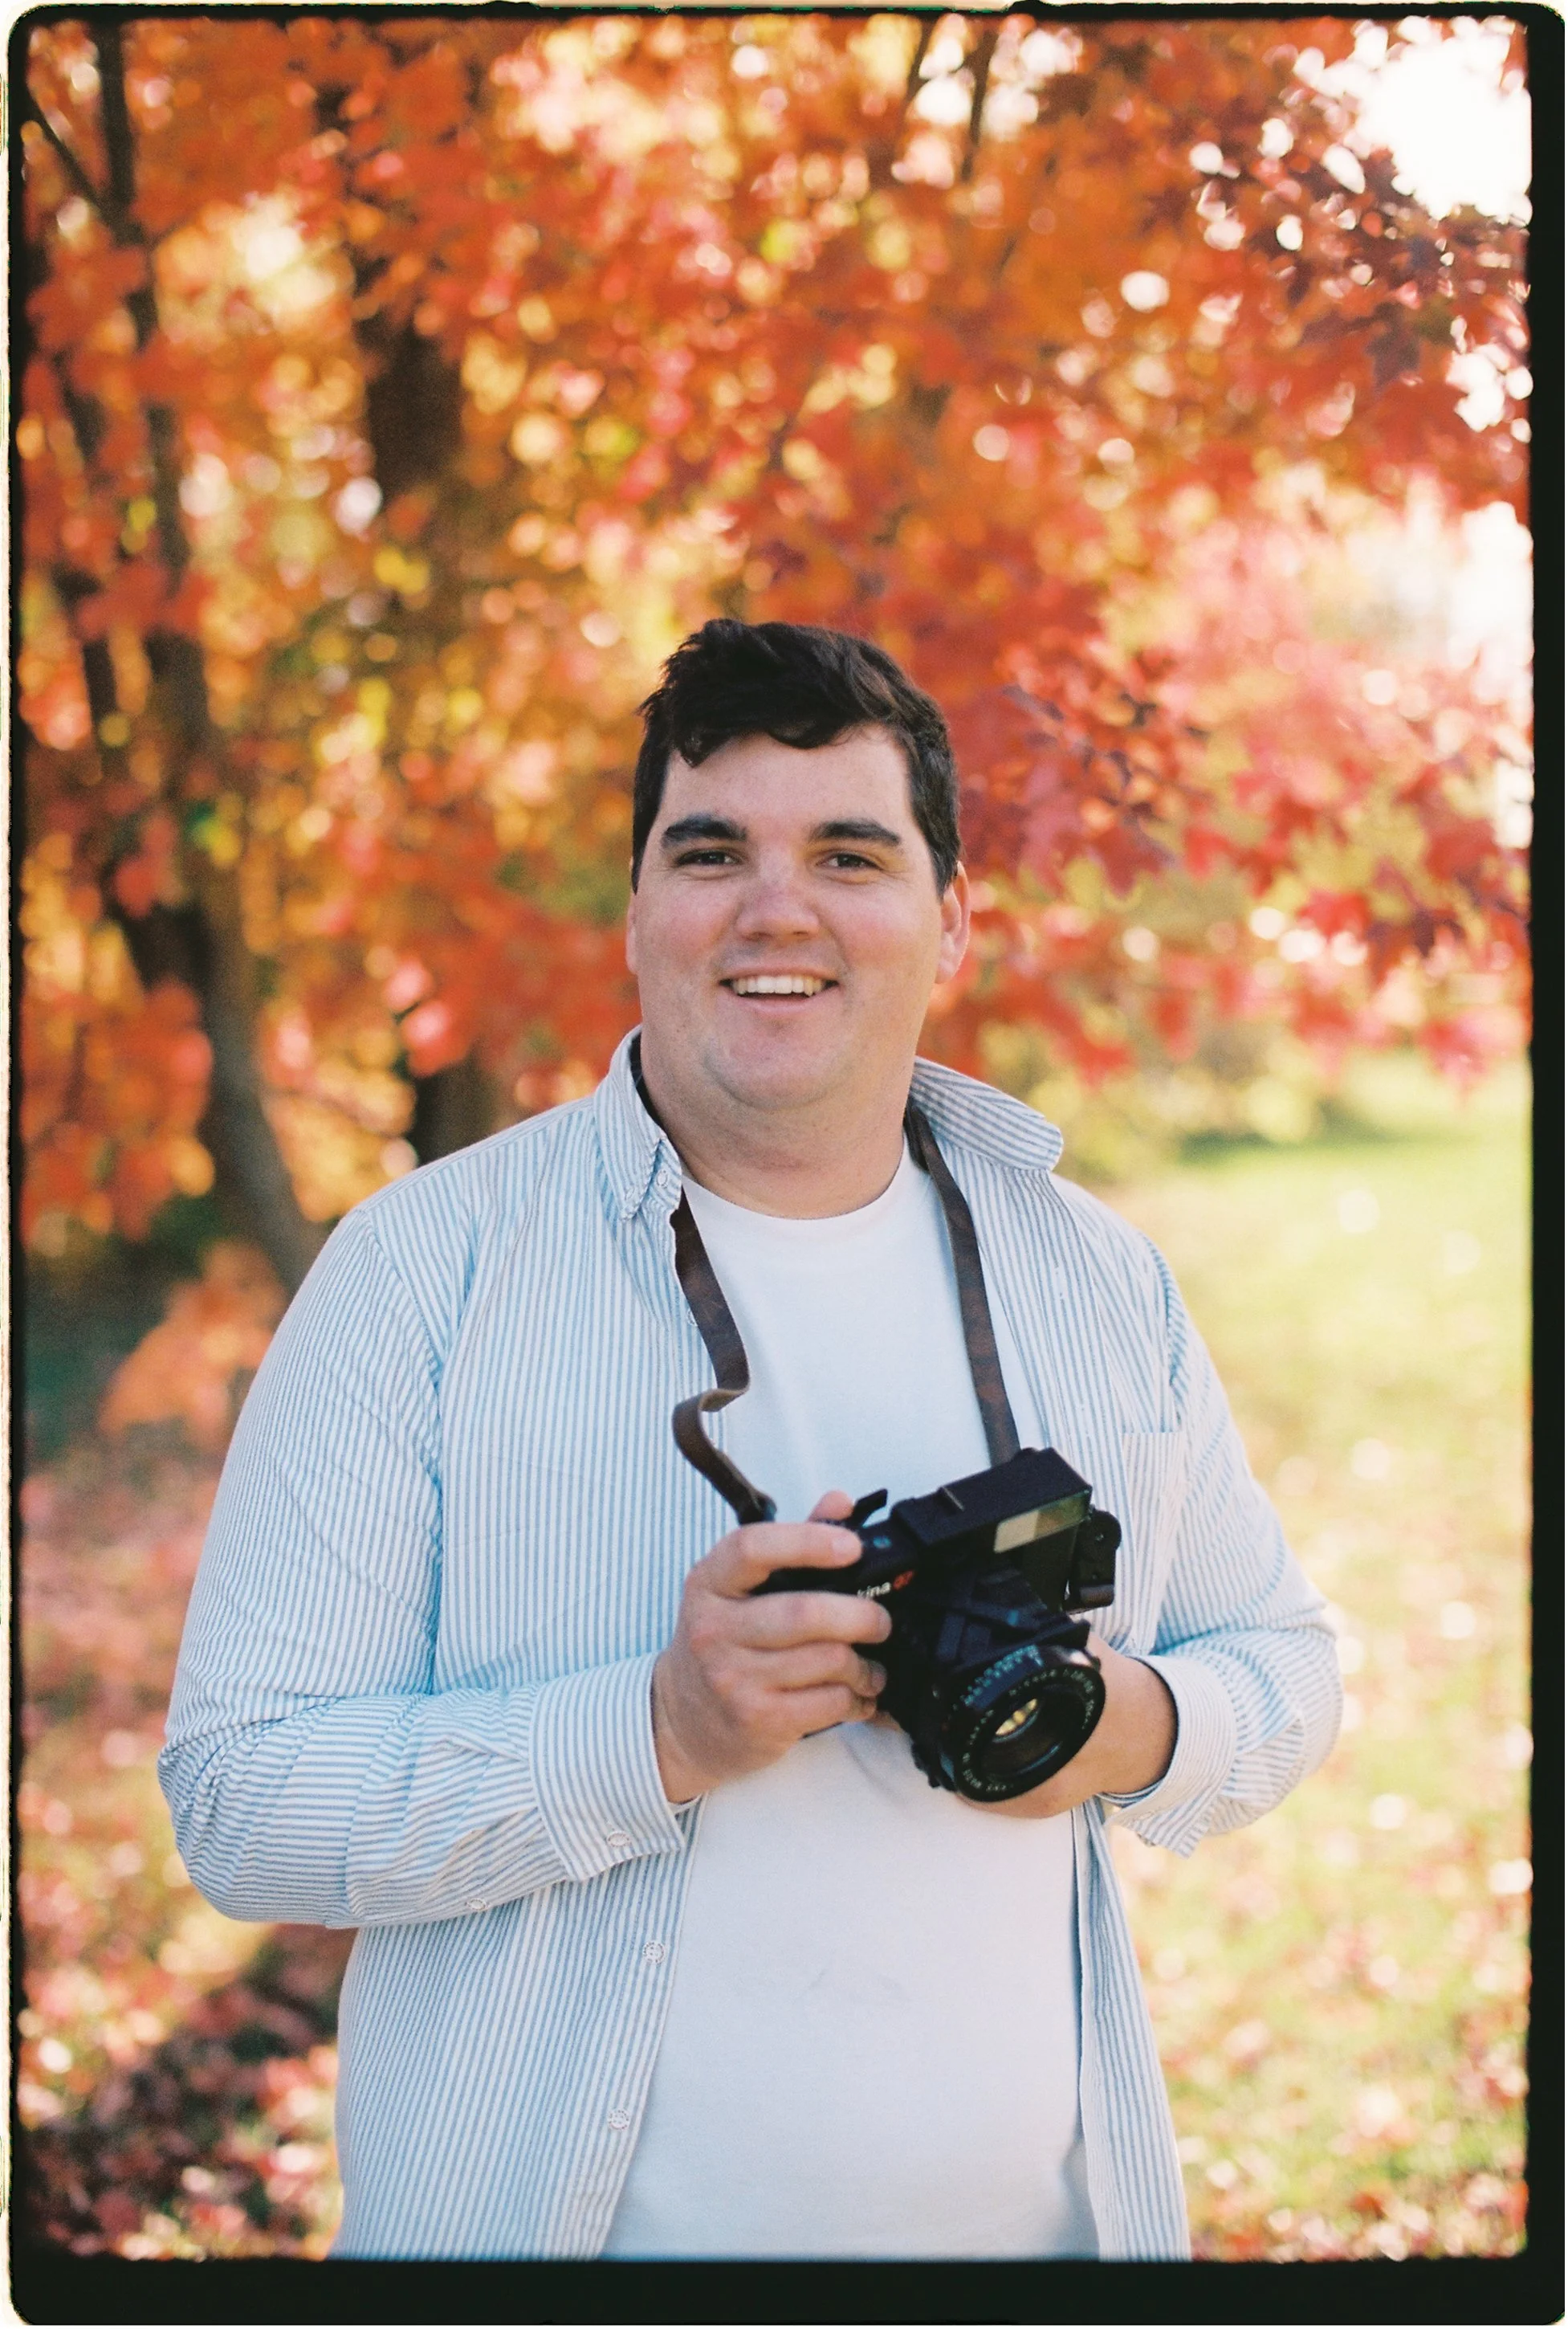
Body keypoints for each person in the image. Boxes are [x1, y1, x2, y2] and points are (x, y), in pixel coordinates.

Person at [161, 619, 1341, 2263]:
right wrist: (647, 1731)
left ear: (948, 921)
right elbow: (241, 1796)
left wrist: (1123, 1725)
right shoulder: (423, 1271)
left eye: (848, 854)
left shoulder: (1089, 1272)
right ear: (639, 913)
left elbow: (1284, 1665)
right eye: (710, 852)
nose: (775, 908)